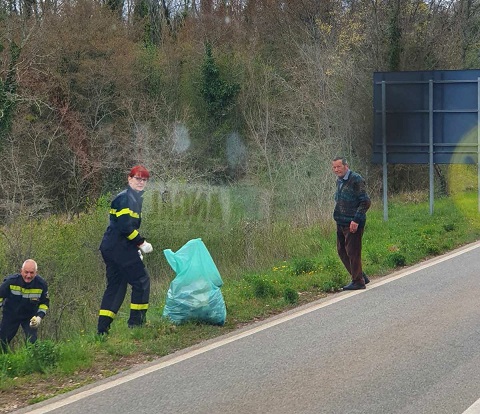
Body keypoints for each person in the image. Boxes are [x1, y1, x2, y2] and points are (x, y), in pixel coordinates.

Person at [97, 165, 154, 335]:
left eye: (144, 180)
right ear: (129, 179)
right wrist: (141, 243)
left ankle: (102, 330)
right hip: (119, 248)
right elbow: (124, 227)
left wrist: (133, 248)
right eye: (137, 178)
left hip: (113, 248)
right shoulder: (125, 198)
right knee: (141, 281)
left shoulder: (134, 199)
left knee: (116, 287)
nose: (141, 182)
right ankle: (137, 325)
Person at [332, 156, 371, 290]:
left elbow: (365, 201)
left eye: (339, 167)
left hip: (352, 222)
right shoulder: (339, 181)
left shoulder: (356, 179)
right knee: (342, 250)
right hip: (341, 222)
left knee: (352, 251)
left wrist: (356, 219)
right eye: (334, 167)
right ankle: (360, 275)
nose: (336, 170)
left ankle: (358, 281)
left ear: (346, 166)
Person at [0, 259, 49, 352]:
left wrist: (39, 317)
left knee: (32, 343)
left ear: (36, 273)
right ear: (21, 271)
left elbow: (44, 303)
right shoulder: (11, 282)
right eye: (26, 272)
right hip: (10, 315)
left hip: (29, 317)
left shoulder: (41, 284)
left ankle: (31, 363)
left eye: (31, 273)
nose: (28, 276)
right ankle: (5, 362)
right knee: (2, 341)